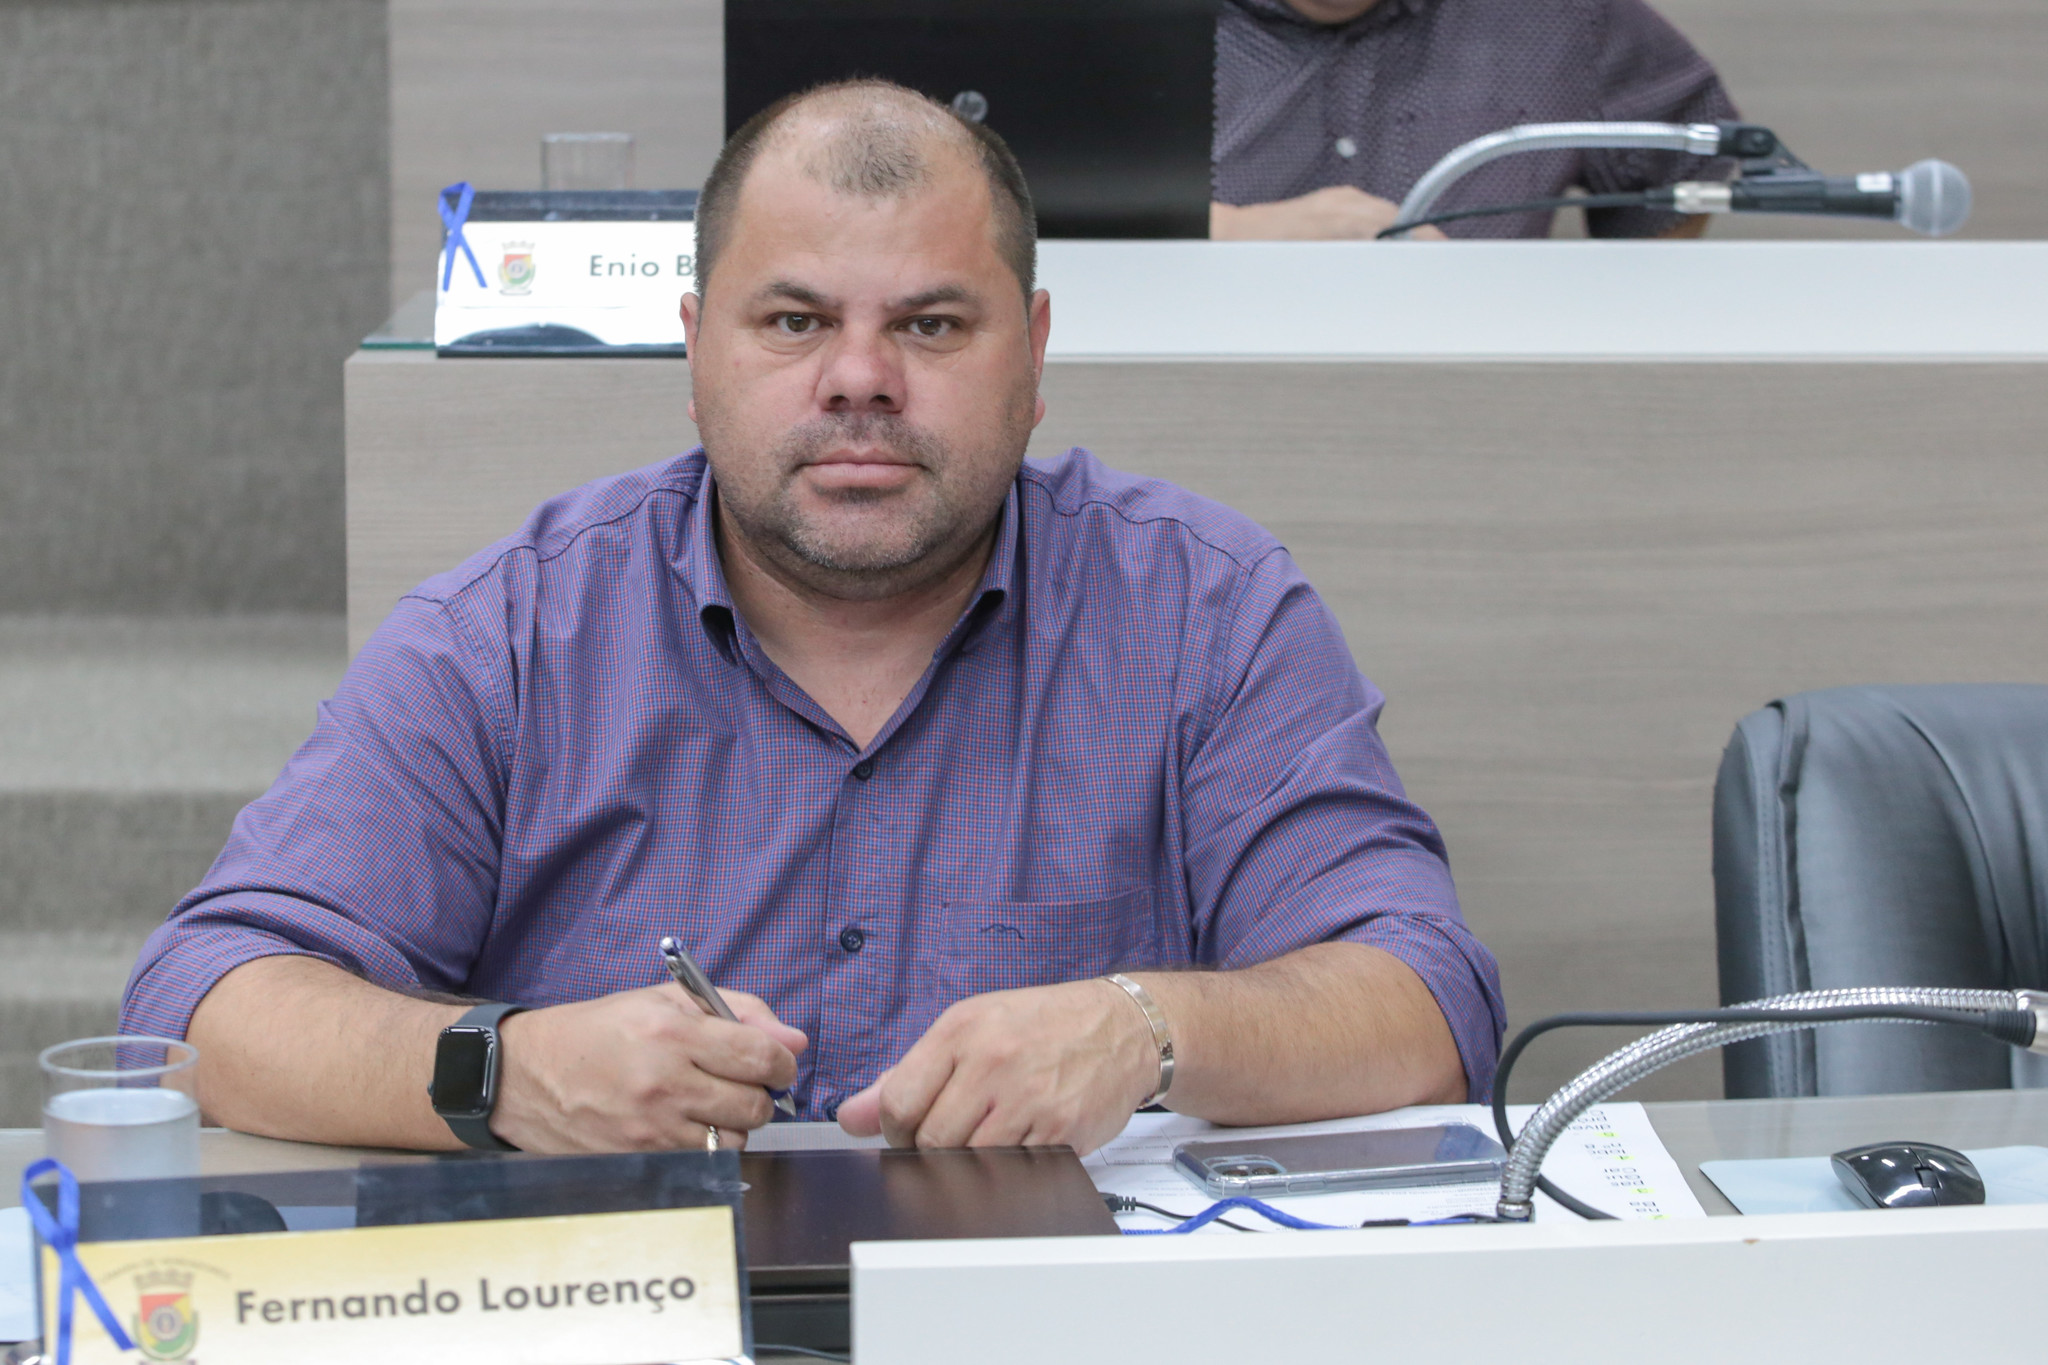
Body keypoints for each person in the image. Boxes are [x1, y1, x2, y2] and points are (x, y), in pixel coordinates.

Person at [120, 79, 1504, 1158]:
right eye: (791, 322)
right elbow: (200, 1005)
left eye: (933, 326)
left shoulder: (1206, 607)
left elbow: (1424, 1009)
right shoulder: (511, 635)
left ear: (1032, 357)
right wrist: (508, 1069)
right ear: (695, 353)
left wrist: (1146, 1028)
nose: (859, 379)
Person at [1212, 0, 1739, 241]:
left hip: (1480, 397)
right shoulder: (1137, 25)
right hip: (1195, 384)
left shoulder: (1560, 16)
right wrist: (1237, 232)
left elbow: (1681, 172)